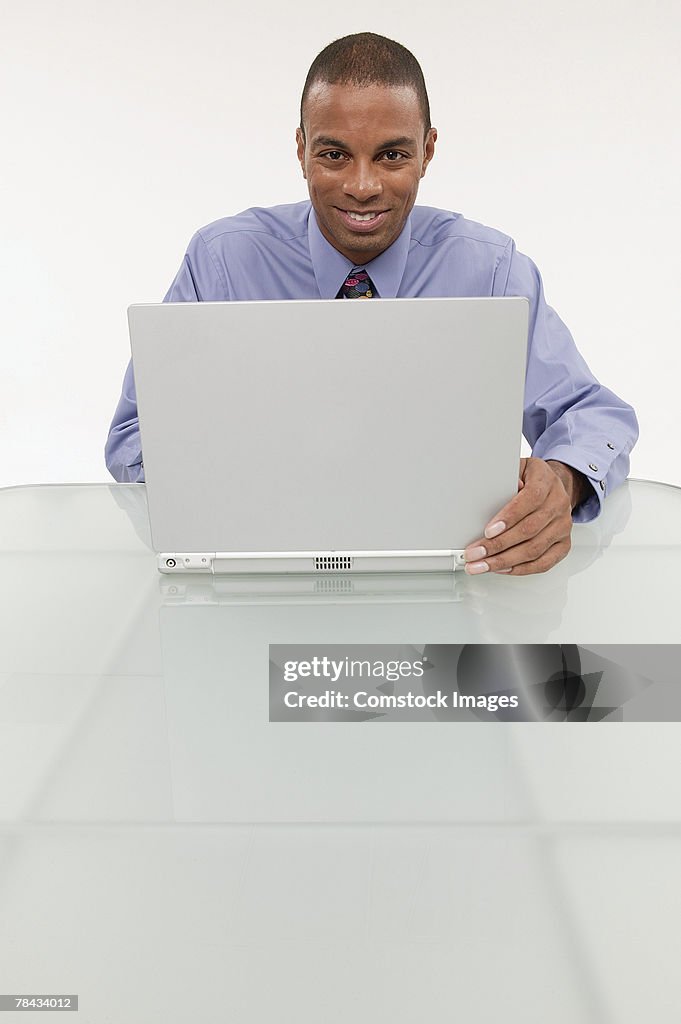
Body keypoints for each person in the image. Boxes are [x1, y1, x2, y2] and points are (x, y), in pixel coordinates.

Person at [106, 32, 638, 577]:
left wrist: (563, 483)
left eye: (392, 155)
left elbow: (593, 414)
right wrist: (253, 466)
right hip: (264, 578)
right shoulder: (222, 262)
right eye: (334, 155)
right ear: (301, 150)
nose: (363, 187)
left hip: (445, 584)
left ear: (427, 151)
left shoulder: (492, 271)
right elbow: (133, 439)